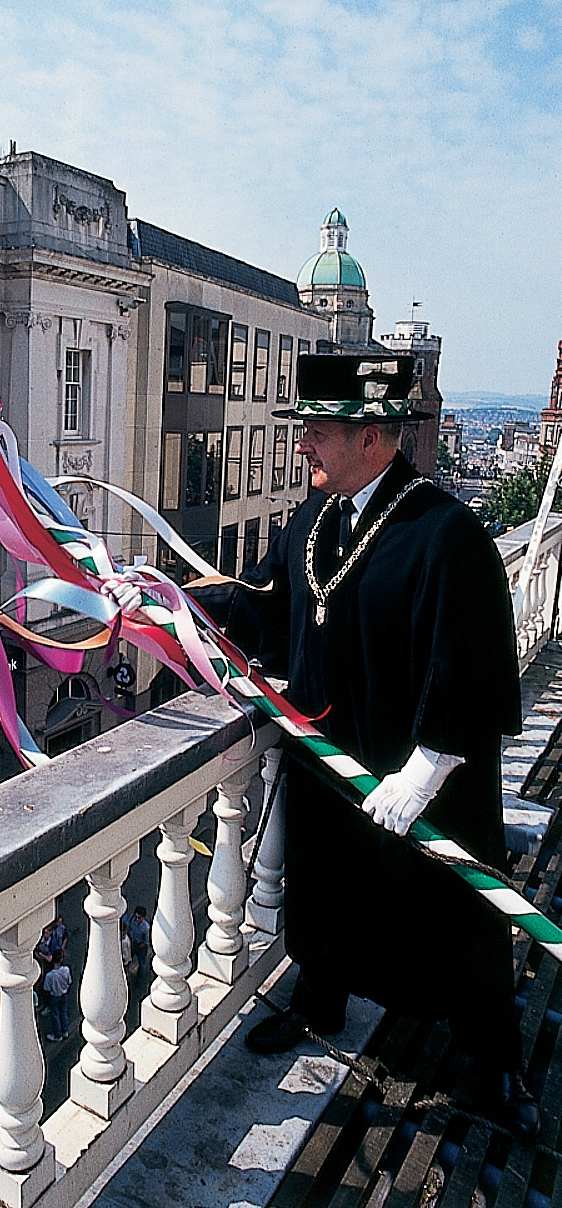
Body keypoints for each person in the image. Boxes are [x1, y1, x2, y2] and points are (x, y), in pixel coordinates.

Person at [104, 347, 538, 1140]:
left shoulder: (446, 532)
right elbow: (264, 604)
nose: (302, 443)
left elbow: (470, 662)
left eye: (317, 430)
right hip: (331, 769)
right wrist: (166, 597)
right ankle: (319, 1001)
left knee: (455, 919)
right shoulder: (314, 518)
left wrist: (426, 766)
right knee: (326, 891)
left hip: (414, 781)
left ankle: (491, 1062)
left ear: (373, 437)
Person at [43, 950, 72, 1041]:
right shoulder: (66, 970)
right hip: (64, 994)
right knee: (63, 1012)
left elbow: (46, 988)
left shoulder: (49, 975)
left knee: (55, 1015)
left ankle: (57, 1034)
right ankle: (65, 1030)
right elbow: (69, 981)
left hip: (54, 996)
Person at [124, 906, 151, 979]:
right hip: (133, 942)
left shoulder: (146, 927)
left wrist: (140, 946)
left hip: (141, 945)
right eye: (136, 917)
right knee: (128, 958)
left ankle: (140, 979)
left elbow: (146, 941)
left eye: (139, 918)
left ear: (143, 917)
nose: (137, 919)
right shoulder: (132, 919)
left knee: (142, 964)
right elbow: (129, 926)